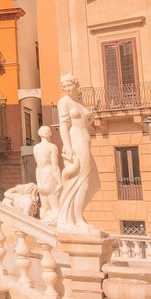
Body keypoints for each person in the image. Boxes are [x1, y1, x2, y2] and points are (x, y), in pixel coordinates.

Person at [56, 74, 100, 232]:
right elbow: (63, 126)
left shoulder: (79, 103)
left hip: (85, 139)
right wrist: (68, 147)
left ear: (76, 85)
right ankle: (77, 219)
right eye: (65, 86)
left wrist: (90, 118)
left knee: (93, 181)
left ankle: (77, 215)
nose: (67, 88)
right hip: (76, 140)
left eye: (69, 85)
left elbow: (85, 123)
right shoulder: (64, 102)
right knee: (82, 180)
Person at [33, 125, 62, 225]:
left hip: (40, 177)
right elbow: (55, 167)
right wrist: (60, 182)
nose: (51, 133)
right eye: (50, 131)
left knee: (45, 208)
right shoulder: (52, 147)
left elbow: (37, 164)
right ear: (47, 134)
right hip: (49, 175)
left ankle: (44, 228)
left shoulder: (35, 148)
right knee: (56, 208)